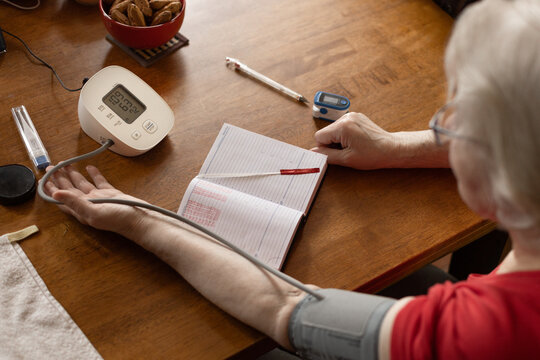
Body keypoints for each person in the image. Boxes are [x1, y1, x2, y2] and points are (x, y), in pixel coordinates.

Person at [43, 0, 540, 358]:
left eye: (450, 116)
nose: (443, 129)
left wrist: (141, 222)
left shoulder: (477, 333)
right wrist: (395, 147)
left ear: (493, 179)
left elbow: (284, 306)